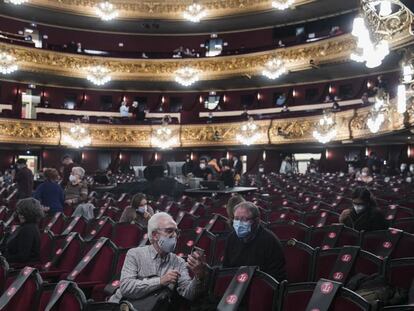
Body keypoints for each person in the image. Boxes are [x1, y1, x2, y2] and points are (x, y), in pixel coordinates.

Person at [109, 212, 206, 308]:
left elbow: (188, 294)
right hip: (123, 306)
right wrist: (160, 281)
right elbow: (126, 288)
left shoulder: (178, 262)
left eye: (176, 231)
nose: (175, 235)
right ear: (155, 235)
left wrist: (199, 276)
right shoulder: (135, 254)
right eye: (169, 231)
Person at [223, 202, 286, 281]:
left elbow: (276, 275)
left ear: (256, 221)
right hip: (234, 284)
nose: (239, 223)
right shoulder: (231, 237)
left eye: (244, 219)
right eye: (236, 219)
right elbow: (226, 267)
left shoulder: (270, 241)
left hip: (260, 285)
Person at [3, 198, 44, 263]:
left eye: (22, 213)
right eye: (19, 212)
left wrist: (3, 259)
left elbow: (22, 257)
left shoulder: (28, 229)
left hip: (17, 268)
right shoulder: (27, 226)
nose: (19, 215)